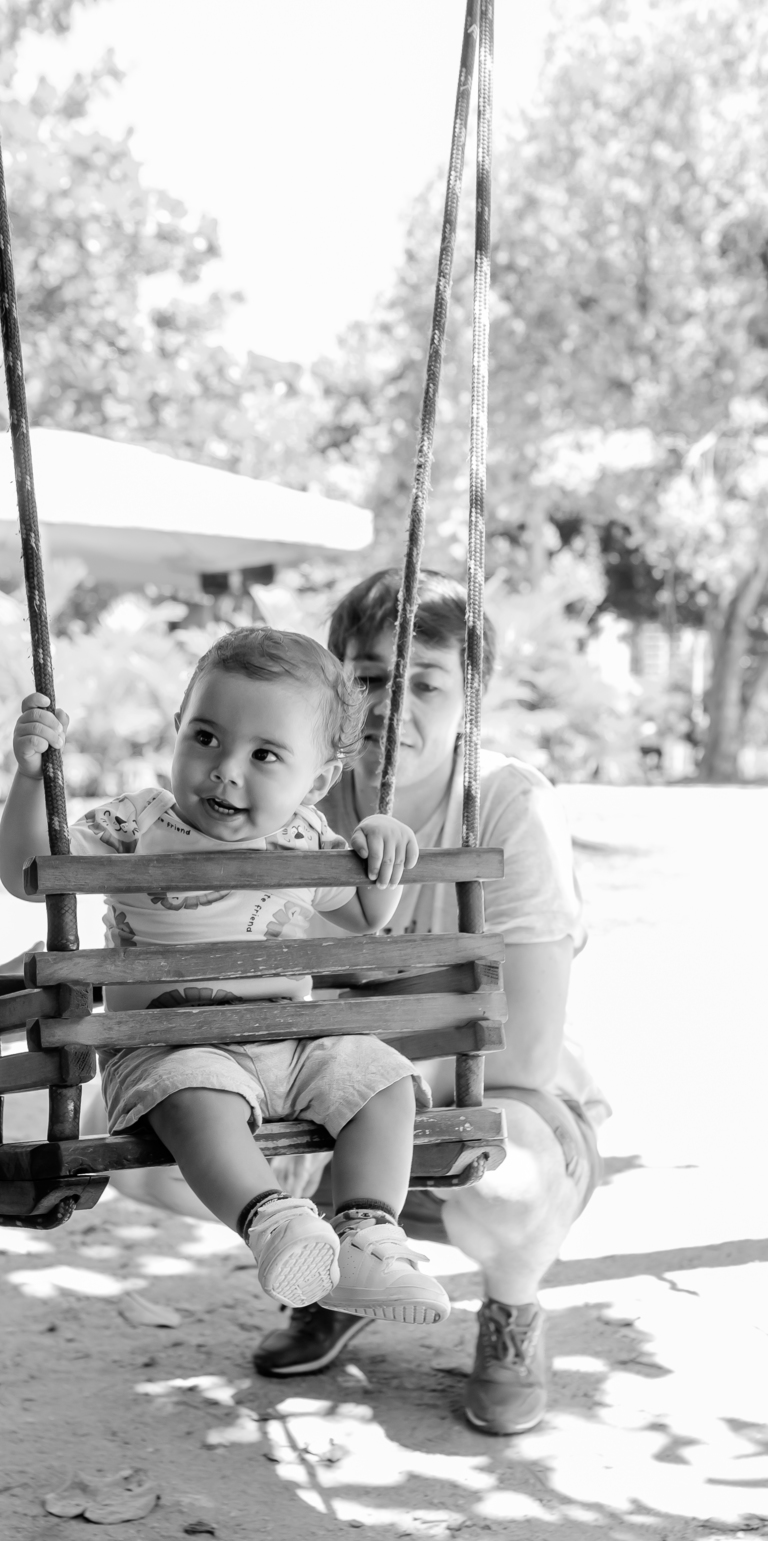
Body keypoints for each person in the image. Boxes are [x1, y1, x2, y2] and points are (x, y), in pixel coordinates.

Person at [0, 627, 450, 1324]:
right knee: (195, 1093)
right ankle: (274, 1223)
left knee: (381, 1076)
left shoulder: (304, 837)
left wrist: (384, 843)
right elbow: (31, 874)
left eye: (264, 754)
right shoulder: (135, 824)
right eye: (205, 738)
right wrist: (32, 780)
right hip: (167, 1051)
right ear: (178, 732)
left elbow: (364, 912)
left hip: (290, 1047)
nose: (225, 769)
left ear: (319, 781)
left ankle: (366, 1236)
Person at [250, 569, 609, 1436]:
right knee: (154, 1127)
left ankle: (512, 1306)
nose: (390, 704)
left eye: (426, 681)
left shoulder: (509, 803)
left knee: (511, 1187)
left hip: (482, 1091)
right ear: (336, 686)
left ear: (471, 693)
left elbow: (522, 1052)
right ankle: (349, 1272)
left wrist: (361, 1048)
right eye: (369, 676)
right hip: (333, 1093)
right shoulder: (290, 794)